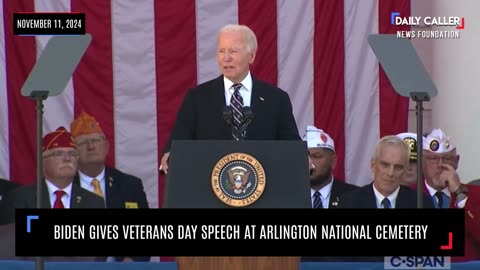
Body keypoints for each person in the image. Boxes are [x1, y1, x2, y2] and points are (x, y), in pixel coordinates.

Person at [160, 24, 300, 175]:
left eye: (233, 51)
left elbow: (291, 146)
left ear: (251, 56)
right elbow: (178, 143)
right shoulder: (197, 97)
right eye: (221, 51)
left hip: (263, 187)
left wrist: (302, 156)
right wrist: (170, 155)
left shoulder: (276, 99)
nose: (226, 58)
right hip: (209, 186)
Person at [70, 111, 150, 262]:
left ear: (106, 147)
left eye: (96, 140)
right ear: (74, 152)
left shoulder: (130, 185)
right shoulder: (63, 186)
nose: (91, 146)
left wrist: (131, 259)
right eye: (83, 143)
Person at [0, 127, 105, 225]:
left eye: (72, 154)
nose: (67, 159)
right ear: (42, 163)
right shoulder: (20, 199)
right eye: (58, 154)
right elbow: (10, 241)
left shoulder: (94, 202)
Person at [421, 128, 480, 262]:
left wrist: (460, 194)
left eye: (447, 158)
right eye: (433, 159)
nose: (440, 165)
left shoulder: (476, 194)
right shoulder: (410, 194)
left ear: (456, 161)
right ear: (422, 161)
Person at [338, 135, 433, 209]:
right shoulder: (349, 202)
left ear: (405, 169)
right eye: (385, 165)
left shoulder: (421, 203)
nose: (390, 173)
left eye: (398, 167)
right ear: (373, 165)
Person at [303, 125, 357, 208]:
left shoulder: (354, 196)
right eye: (305, 157)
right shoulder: (289, 196)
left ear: (333, 161)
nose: (310, 163)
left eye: (316, 156)